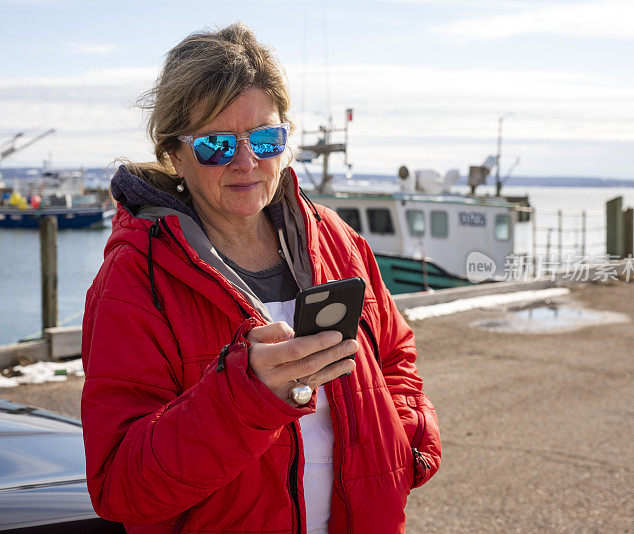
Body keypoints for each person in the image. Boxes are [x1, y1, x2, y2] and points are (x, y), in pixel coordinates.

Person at [81, 23, 441, 534]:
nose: (247, 162)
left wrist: (405, 441)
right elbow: (121, 486)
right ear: (175, 153)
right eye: (217, 145)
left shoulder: (334, 239)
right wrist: (246, 396)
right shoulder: (137, 281)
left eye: (266, 139)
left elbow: (395, 355)